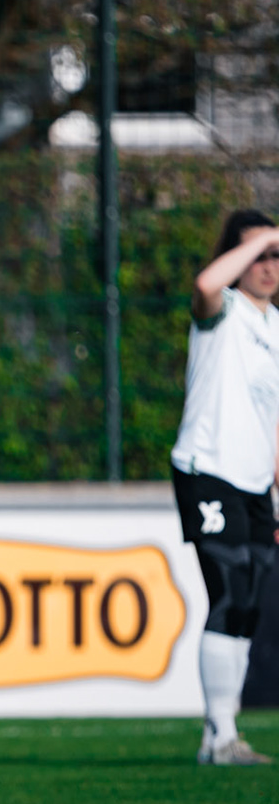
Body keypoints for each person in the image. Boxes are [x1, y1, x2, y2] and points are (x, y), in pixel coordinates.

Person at [171, 209, 279, 765]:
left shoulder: (275, 327)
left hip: (255, 483)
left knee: (249, 606)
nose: (267, 265)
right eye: (258, 254)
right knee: (228, 591)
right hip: (207, 468)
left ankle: (224, 733)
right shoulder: (223, 311)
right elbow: (205, 284)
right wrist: (260, 235)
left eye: (274, 255)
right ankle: (219, 734)